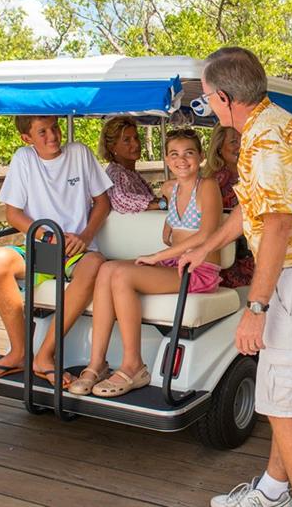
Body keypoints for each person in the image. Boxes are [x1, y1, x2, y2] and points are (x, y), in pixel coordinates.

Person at [180, 47, 292, 507]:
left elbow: (277, 224)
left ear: (223, 97)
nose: (207, 106)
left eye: (207, 98)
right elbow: (253, 208)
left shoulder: (267, 141)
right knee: (285, 399)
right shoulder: (271, 122)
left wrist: (254, 309)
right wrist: (205, 244)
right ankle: (273, 493)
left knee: (282, 408)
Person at [68, 128, 224, 397]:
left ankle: (133, 366)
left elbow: (206, 234)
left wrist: (157, 256)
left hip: (198, 269)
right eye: (174, 154)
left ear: (200, 157)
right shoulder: (171, 189)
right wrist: (168, 228)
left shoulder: (207, 186)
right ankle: (97, 364)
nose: (181, 159)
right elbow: (172, 230)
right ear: (166, 159)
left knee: (122, 275)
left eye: (189, 153)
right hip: (175, 263)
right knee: (106, 270)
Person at [0, 115, 112, 388]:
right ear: (27, 138)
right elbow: (13, 213)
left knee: (95, 264)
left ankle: (44, 356)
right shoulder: (23, 159)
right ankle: (19, 352)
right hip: (41, 247)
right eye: (42, 132)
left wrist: (84, 236)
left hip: (76, 249)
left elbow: (102, 202)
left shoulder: (79, 153)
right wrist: (46, 236)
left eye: (55, 127)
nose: (53, 136)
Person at [203, 124, 254, 288]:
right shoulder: (220, 180)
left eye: (243, 139)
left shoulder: (248, 173)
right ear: (219, 148)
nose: (240, 145)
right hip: (235, 257)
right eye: (233, 142)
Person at [99, 115, 164, 213]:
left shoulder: (129, 172)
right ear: (112, 147)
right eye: (127, 140)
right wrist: (163, 204)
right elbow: (120, 199)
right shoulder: (117, 173)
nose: (136, 144)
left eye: (136, 138)